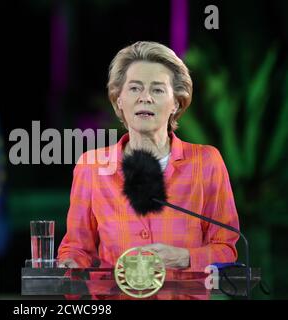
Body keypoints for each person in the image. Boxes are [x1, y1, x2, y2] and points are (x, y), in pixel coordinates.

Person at [57, 41, 240, 278]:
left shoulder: (206, 162)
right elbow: (77, 248)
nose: (145, 98)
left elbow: (226, 249)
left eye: (157, 89)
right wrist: (69, 265)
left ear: (176, 102)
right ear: (118, 99)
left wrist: (184, 257)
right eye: (134, 88)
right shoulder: (91, 167)